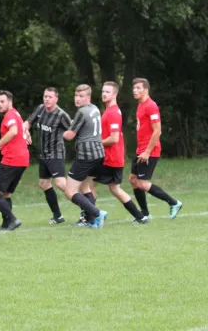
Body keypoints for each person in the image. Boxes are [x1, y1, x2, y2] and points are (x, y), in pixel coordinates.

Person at [92, 82, 148, 224]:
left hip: (109, 158)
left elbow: (114, 138)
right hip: (113, 158)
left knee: (87, 185)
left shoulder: (112, 113)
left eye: (108, 92)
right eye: (103, 91)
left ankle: (92, 217)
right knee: (115, 188)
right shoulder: (109, 111)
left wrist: (96, 142)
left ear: (115, 94)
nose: (104, 94)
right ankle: (140, 217)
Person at [130, 78, 183, 220]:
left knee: (142, 183)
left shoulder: (151, 106)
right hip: (140, 149)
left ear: (145, 90)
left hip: (149, 150)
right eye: (134, 88)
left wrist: (147, 151)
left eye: (138, 88)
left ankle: (174, 203)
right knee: (134, 180)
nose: (135, 90)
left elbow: (157, 131)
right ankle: (145, 214)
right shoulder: (140, 105)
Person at [23, 87, 72, 224]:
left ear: (56, 99)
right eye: (45, 96)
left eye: (50, 97)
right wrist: (25, 131)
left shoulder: (61, 115)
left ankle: (86, 208)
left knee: (61, 183)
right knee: (44, 183)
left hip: (56, 153)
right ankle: (58, 216)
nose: (47, 99)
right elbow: (27, 123)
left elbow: (73, 131)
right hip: (44, 154)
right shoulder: (40, 109)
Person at [63, 84, 107, 228]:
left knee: (69, 191)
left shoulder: (82, 112)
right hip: (99, 154)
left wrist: (60, 132)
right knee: (85, 187)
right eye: (76, 95)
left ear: (88, 97)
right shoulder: (94, 108)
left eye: (81, 96)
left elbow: (69, 135)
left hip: (86, 155)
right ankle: (91, 221)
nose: (78, 99)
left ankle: (97, 213)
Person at [0, 90, 28, 231]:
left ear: (10, 102)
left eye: (2, 101)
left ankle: (12, 219)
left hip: (13, 158)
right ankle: (6, 224)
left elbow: (14, 131)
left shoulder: (10, 115)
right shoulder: (16, 113)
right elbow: (21, 130)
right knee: (6, 194)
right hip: (22, 159)